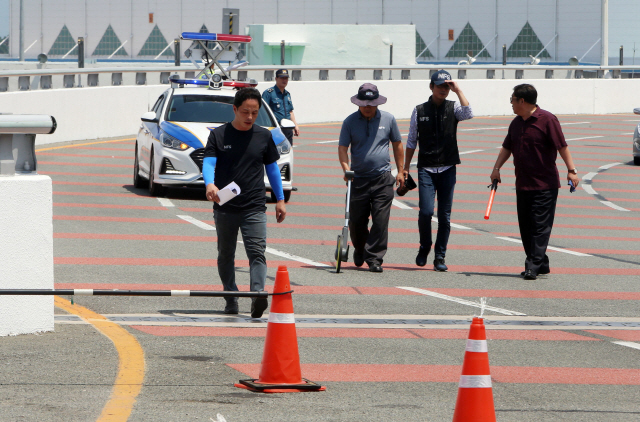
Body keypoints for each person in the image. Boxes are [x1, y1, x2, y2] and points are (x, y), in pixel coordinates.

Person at [202, 87, 287, 317]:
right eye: (245, 112)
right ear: (235, 109)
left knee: (257, 252)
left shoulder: (263, 136)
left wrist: (280, 199)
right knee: (225, 254)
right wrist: (210, 184)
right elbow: (208, 163)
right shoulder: (218, 135)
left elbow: (272, 169)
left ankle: (257, 296)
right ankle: (230, 296)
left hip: (254, 206)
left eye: (254, 112)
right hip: (225, 206)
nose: (250, 117)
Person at [490, 84, 579, 280]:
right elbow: (507, 147)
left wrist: (571, 171)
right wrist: (496, 169)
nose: (511, 104)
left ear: (522, 101)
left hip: (545, 185)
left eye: (512, 100)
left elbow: (562, 146)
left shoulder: (547, 120)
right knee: (526, 227)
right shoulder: (515, 123)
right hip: (523, 184)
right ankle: (541, 263)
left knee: (540, 226)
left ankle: (532, 265)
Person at [403, 70, 473, 272]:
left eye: (446, 86)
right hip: (426, 168)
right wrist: (405, 168)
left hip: (448, 168)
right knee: (426, 212)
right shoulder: (419, 110)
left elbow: (468, 113)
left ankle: (440, 255)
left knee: (445, 216)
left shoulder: (454, 108)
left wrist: (458, 90)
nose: (443, 89)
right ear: (431, 87)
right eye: (439, 85)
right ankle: (425, 246)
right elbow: (411, 140)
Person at [338, 83, 405, 273]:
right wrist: (346, 169)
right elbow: (343, 149)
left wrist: (400, 171)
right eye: (364, 103)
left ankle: (374, 258)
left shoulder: (389, 119)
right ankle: (360, 247)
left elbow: (398, 145)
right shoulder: (349, 122)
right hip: (357, 179)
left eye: (371, 103)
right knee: (356, 221)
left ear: (377, 102)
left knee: (381, 219)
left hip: (382, 178)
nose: (368, 107)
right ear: (358, 103)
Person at [262, 69, 300, 144]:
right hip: (275, 129)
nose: (284, 80)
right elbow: (263, 111)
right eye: (282, 78)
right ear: (276, 79)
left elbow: (290, 111)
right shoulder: (269, 93)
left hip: (287, 129)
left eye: (286, 78)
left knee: (288, 151)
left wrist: (295, 125)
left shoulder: (287, 94)